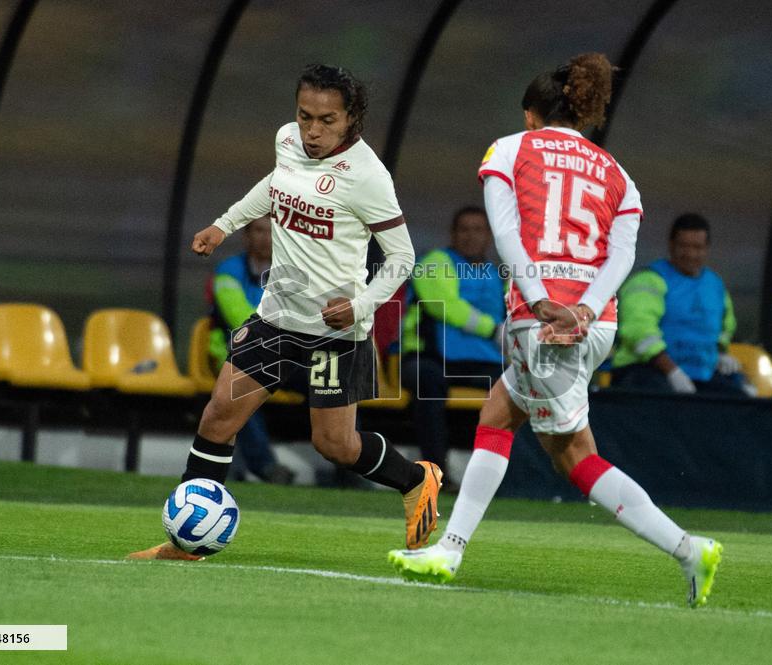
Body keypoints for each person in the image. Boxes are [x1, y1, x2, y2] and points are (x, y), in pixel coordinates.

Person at [387, 53, 723, 607]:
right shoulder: (618, 174)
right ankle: (451, 545)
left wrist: (543, 301)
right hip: (594, 324)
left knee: (574, 457)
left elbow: (505, 231)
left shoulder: (510, 149)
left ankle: (687, 547)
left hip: (541, 324)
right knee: (499, 412)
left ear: (530, 114)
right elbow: (622, 254)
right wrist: (586, 308)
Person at [129, 64, 441, 560]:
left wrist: (360, 304)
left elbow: (402, 257)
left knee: (335, 445)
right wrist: (225, 224)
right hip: (276, 318)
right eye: (304, 116)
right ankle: (184, 544)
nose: (312, 131)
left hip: (336, 332)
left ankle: (415, 478)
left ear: (352, 119)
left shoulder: (368, 176)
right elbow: (277, 185)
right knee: (217, 418)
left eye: (327, 120)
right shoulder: (289, 141)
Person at [400, 206, 506, 488]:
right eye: (465, 229)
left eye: (478, 230)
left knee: (520, 389)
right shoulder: (435, 262)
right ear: (453, 234)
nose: (471, 236)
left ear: (489, 237)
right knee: (426, 382)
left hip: (480, 360)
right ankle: (437, 472)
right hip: (429, 357)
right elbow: (445, 307)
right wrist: (494, 330)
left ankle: (509, 475)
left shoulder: (495, 274)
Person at [610, 213, 747, 395]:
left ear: (707, 249)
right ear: (671, 245)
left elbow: (725, 328)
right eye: (684, 246)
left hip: (701, 375)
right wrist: (673, 371)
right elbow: (639, 331)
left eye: (697, 247)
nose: (690, 254)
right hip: (645, 370)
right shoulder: (649, 281)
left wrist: (721, 354)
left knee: (739, 400)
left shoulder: (714, 285)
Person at [208, 215, 295, 485]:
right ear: (246, 235)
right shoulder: (229, 270)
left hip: (281, 354)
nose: (265, 237)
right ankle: (266, 467)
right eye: (258, 230)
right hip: (231, 353)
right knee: (244, 386)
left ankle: (345, 461)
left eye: (271, 232)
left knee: (329, 382)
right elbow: (240, 317)